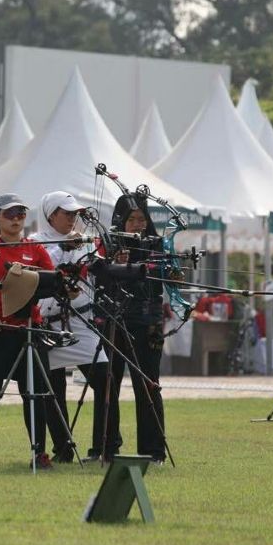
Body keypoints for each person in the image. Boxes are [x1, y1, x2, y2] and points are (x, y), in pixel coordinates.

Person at [0, 193, 56, 469]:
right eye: (9, 214)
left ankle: (38, 453)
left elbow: (51, 282)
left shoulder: (36, 249)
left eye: (20, 214)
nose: (16, 219)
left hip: (29, 330)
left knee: (35, 392)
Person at [33, 191, 114, 463]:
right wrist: (63, 248)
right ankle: (63, 449)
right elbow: (40, 271)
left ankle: (105, 447)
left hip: (80, 322)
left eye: (75, 214)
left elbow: (98, 268)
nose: (72, 218)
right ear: (50, 215)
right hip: (50, 325)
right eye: (66, 213)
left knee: (105, 381)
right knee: (53, 391)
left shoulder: (83, 240)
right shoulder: (35, 242)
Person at [102, 194, 167, 464]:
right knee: (108, 384)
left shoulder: (157, 244)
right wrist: (115, 262)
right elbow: (100, 277)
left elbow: (160, 277)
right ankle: (107, 447)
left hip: (147, 322)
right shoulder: (108, 244)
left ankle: (153, 451)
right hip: (114, 320)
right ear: (121, 220)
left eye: (142, 218)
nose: (138, 224)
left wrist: (136, 267)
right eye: (132, 219)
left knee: (149, 385)